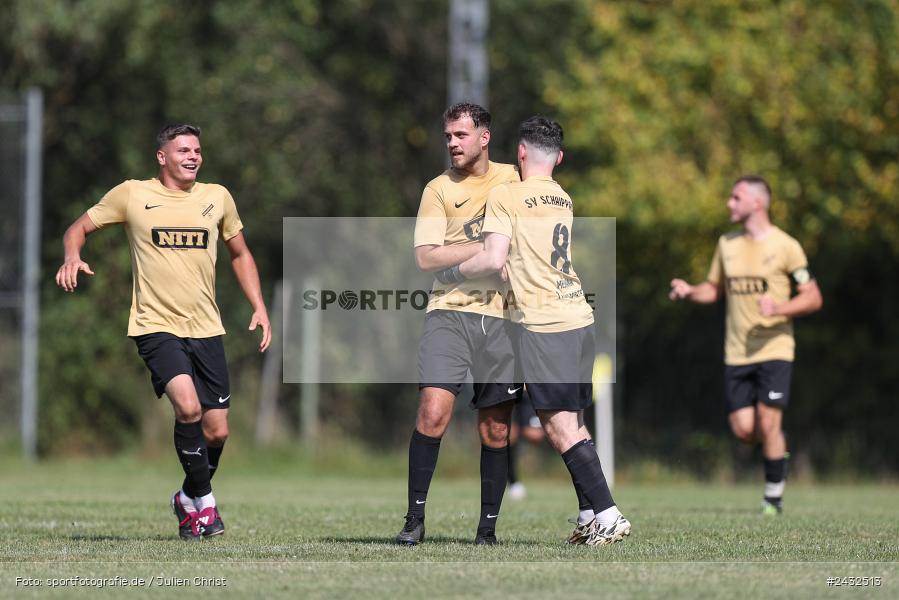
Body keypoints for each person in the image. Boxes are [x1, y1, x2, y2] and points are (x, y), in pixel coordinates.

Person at [56, 124, 272, 539]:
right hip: (155, 326)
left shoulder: (217, 197)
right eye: (183, 150)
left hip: (207, 327)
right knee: (188, 408)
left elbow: (240, 254)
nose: (193, 156)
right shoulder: (133, 194)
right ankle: (205, 508)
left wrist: (259, 305)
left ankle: (186, 497)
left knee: (218, 430)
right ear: (162, 157)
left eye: (197, 150)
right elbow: (77, 229)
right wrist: (71, 256)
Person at [450, 116, 631, 546]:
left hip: (546, 323)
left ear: (521, 154)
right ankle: (589, 513)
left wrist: (455, 270)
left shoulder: (506, 194)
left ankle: (609, 513)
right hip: (579, 316)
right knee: (577, 423)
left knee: (558, 427)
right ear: (560, 158)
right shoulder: (562, 197)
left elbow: (493, 259)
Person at [397, 103, 522, 546]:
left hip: (505, 319)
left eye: (461, 135)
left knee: (495, 428)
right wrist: (485, 250)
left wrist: (508, 255)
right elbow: (426, 257)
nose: (452, 143)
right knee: (433, 413)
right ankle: (414, 520)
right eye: (448, 135)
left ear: (484, 137)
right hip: (448, 313)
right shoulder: (437, 189)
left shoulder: (514, 178)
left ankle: (487, 530)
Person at [669, 175, 823, 514]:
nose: (729, 203)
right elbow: (713, 289)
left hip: (775, 348)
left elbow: (812, 296)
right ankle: (777, 452)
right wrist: (690, 291)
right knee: (744, 430)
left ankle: (772, 498)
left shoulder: (786, 246)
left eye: (735, 198)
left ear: (757, 203)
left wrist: (780, 308)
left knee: (769, 423)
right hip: (737, 352)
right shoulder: (727, 244)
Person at [506, 390, 545, 500]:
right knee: (508, 434)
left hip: (528, 389)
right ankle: (513, 483)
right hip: (506, 387)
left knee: (534, 435)